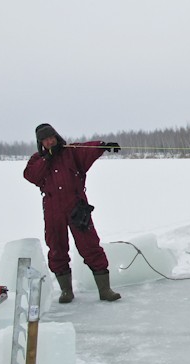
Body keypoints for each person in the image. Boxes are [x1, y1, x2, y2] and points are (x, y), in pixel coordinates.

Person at [23, 123, 123, 303]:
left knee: (90, 245)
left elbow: (87, 150)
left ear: (57, 137)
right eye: (45, 140)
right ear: (41, 143)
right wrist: (48, 159)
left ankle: (105, 290)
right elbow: (31, 175)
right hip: (53, 210)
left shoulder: (71, 152)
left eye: (52, 137)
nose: (50, 141)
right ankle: (66, 291)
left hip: (77, 206)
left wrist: (103, 145)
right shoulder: (37, 160)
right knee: (57, 249)